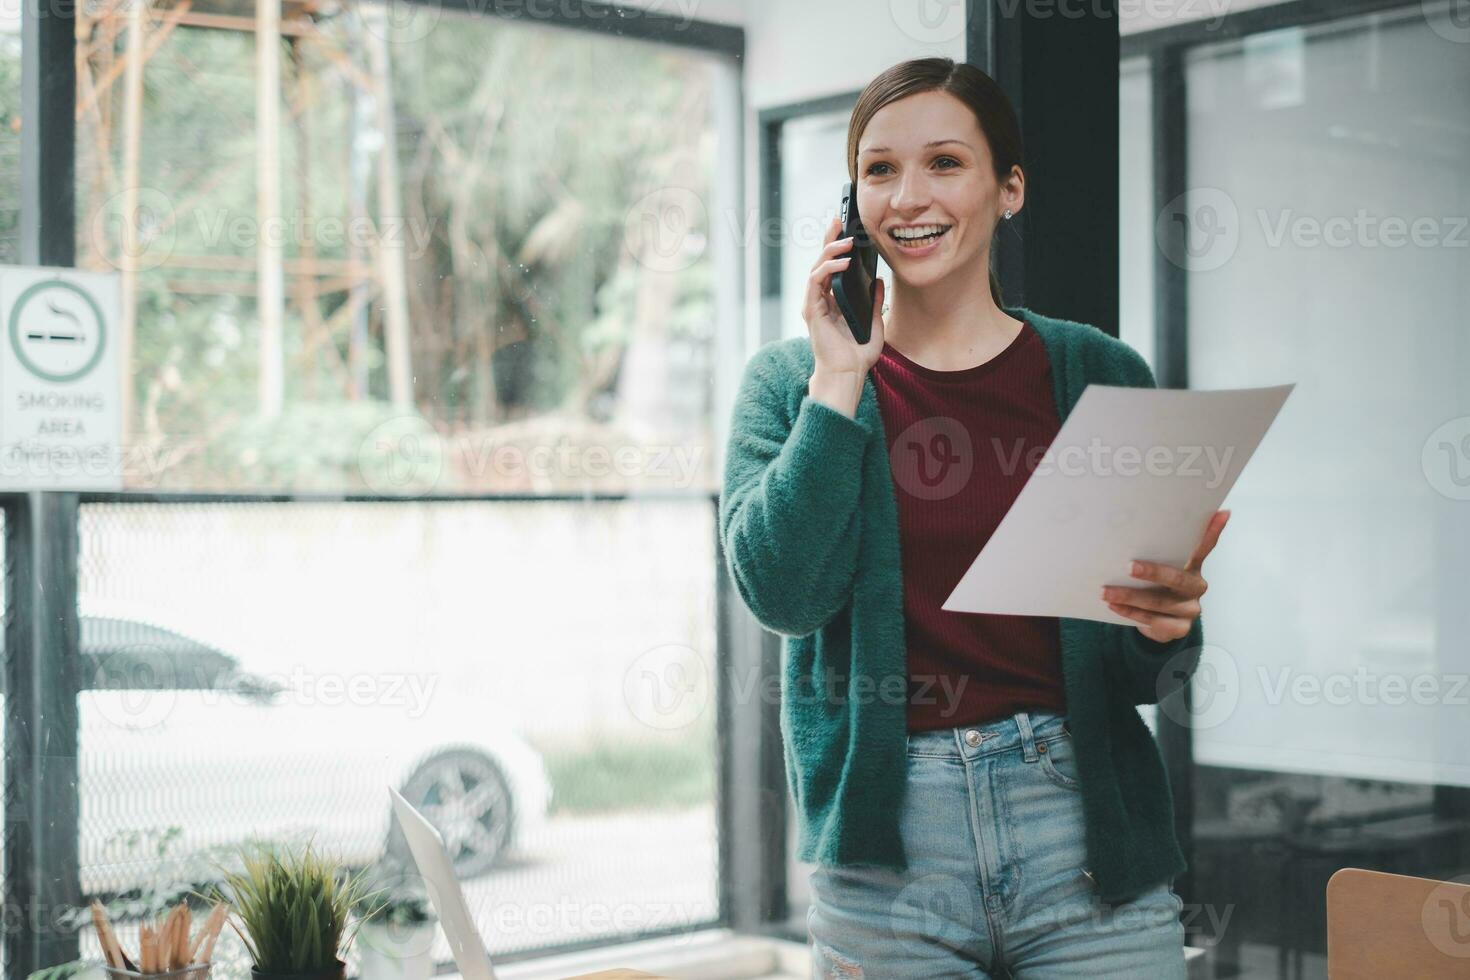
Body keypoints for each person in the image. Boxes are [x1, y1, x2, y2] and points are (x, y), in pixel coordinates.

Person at [718, 56, 1230, 978]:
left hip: (1083, 837)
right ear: (850, 201)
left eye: (946, 162)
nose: (909, 196)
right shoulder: (790, 384)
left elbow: (1149, 668)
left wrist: (1167, 624)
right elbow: (784, 596)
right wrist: (841, 378)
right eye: (879, 169)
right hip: (888, 853)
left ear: (1010, 189)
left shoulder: (1101, 372)